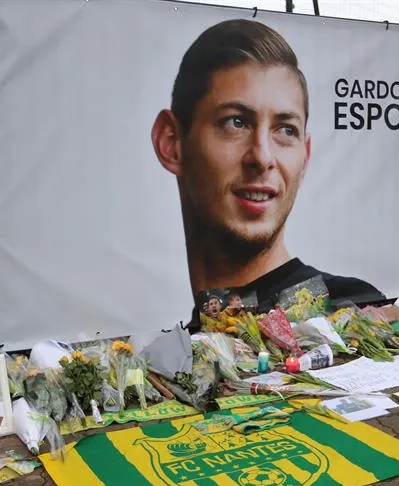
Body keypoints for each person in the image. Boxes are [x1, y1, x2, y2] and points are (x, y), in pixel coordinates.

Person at [150, 19, 386, 330]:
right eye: (235, 122)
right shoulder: (183, 348)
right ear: (172, 143)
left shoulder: (353, 310)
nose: (262, 157)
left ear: (305, 158)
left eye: (286, 130)